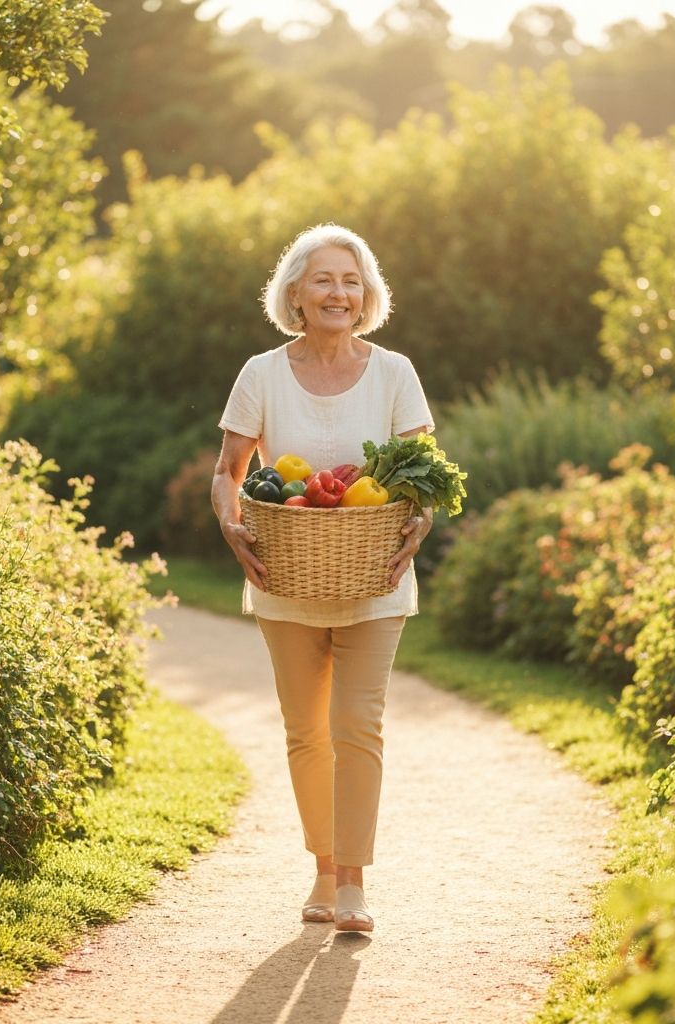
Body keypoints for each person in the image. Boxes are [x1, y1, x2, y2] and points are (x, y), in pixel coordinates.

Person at [211, 223, 435, 933]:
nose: (339, 292)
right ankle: (323, 867)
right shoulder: (261, 373)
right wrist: (231, 523)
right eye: (324, 280)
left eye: (351, 281)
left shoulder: (395, 372)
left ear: (365, 294)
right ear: (296, 296)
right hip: (286, 575)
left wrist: (422, 518)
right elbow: (229, 473)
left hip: (377, 578)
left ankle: (355, 885)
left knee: (356, 723)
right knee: (306, 729)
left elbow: (424, 476)